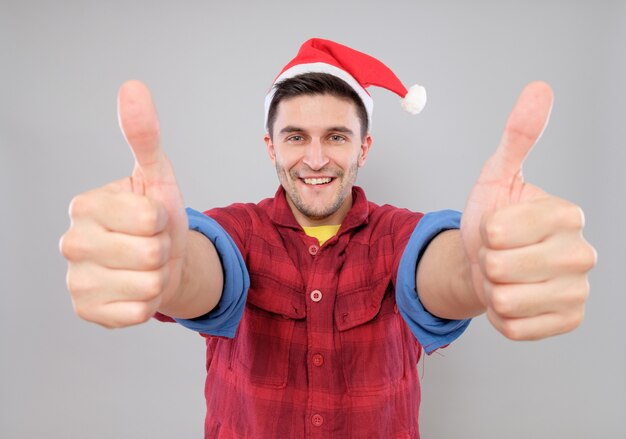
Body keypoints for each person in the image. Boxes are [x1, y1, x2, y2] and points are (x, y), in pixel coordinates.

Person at [59, 39, 596, 438]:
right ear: (270, 146)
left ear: (363, 149)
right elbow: (200, 269)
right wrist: (166, 271)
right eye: (296, 137)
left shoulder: (397, 235)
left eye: (336, 137)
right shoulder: (238, 231)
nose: (315, 160)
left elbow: (443, 268)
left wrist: (482, 268)